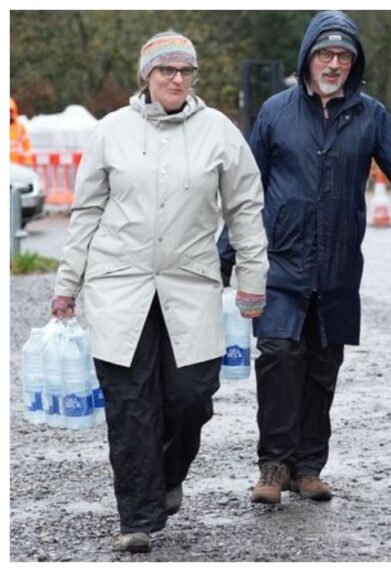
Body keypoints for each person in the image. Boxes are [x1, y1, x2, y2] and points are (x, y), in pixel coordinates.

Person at [217, 10, 391, 504]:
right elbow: (245, 188)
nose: (334, 63)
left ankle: (308, 467)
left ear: (354, 63)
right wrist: (225, 254)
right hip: (280, 260)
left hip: (338, 263)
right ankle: (273, 465)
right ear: (308, 58)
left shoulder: (370, 114)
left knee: (323, 365)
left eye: (344, 56)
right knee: (280, 357)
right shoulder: (275, 112)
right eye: (326, 54)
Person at [51, 31, 268, 552]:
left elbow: (245, 209)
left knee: (191, 396)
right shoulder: (112, 132)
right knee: (130, 404)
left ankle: (169, 476)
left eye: (185, 71)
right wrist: (67, 284)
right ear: (145, 76)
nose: (176, 79)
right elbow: (86, 214)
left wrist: (252, 282)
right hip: (117, 287)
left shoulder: (219, 131)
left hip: (189, 284)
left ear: (194, 77)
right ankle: (138, 516)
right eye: (165, 70)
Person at [10, 96, 34, 166]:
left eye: (10, 112)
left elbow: (26, 146)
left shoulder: (19, 127)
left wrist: (28, 161)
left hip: (15, 163)